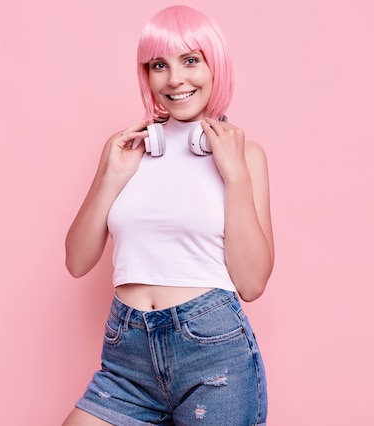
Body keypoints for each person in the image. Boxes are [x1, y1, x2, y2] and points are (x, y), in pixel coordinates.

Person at [62, 5, 274, 425]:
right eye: (160, 64)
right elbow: (76, 261)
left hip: (214, 357)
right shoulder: (130, 150)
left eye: (190, 60)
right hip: (127, 357)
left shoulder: (245, 156)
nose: (175, 79)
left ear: (216, 66)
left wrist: (235, 176)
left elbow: (251, 284)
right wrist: (110, 176)